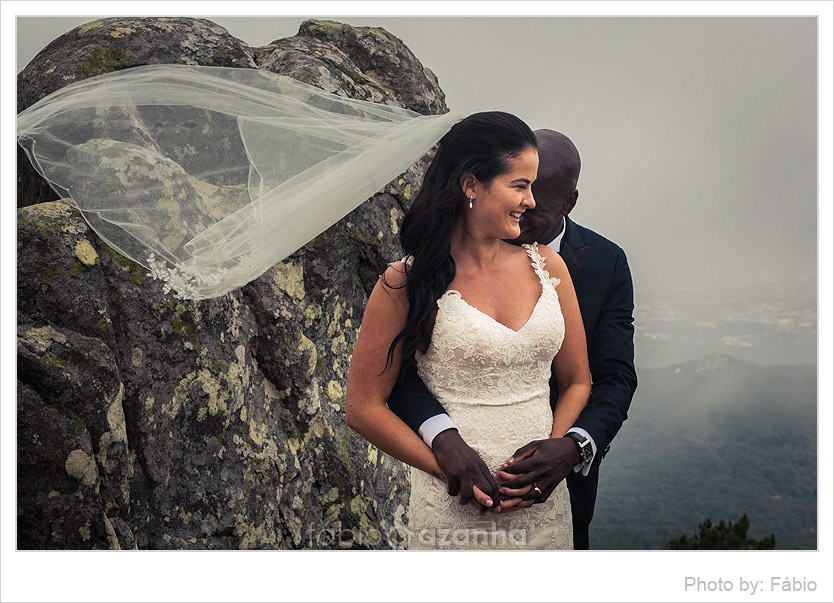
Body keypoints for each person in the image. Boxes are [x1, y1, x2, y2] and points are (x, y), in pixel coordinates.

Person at [345, 113, 591, 549]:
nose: (531, 201)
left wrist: (554, 453)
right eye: (520, 185)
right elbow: (364, 407)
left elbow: (577, 380)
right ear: (471, 185)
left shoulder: (549, 268)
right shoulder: (403, 282)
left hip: (544, 511)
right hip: (452, 511)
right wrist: (443, 463)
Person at [387, 129, 637, 549]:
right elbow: (400, 373)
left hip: (557, 488)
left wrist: (571, 446)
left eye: (535, 189)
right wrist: (443, 441)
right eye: (519, 184)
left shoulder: (599, 263)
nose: (527, 203)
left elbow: (609, 377)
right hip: (454, 493)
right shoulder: (427, 268)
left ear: (568, 202)